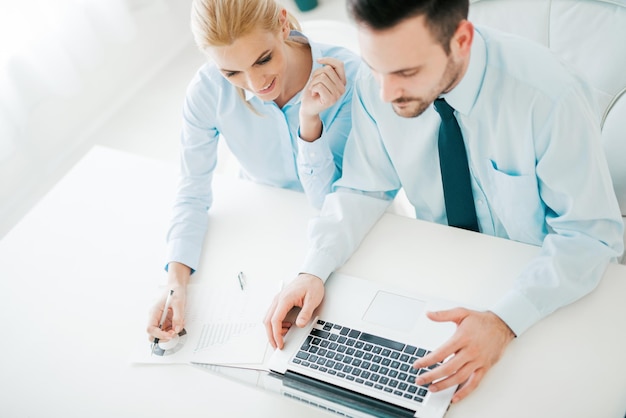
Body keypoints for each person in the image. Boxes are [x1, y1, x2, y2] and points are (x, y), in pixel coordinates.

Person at [264, 0, 624, 404]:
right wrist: (313, 269)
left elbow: (592, 235)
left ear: (462, 40)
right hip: (449, 276)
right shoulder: (375, 85)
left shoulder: (548, 97)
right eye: (377, 67)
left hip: (548, 294)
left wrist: (505, 321)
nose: (386, 92)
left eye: (406, 72)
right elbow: (362, 188)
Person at [146, 0, 360, 345]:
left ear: (281, 23)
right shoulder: (206, 91)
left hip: (347, 231)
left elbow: (332, 203)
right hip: (267, 229)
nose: (255, 82)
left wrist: (309, 124)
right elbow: (192, 191)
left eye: (263, 59)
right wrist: (175, 285)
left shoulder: (348, 76)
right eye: (231, 73)